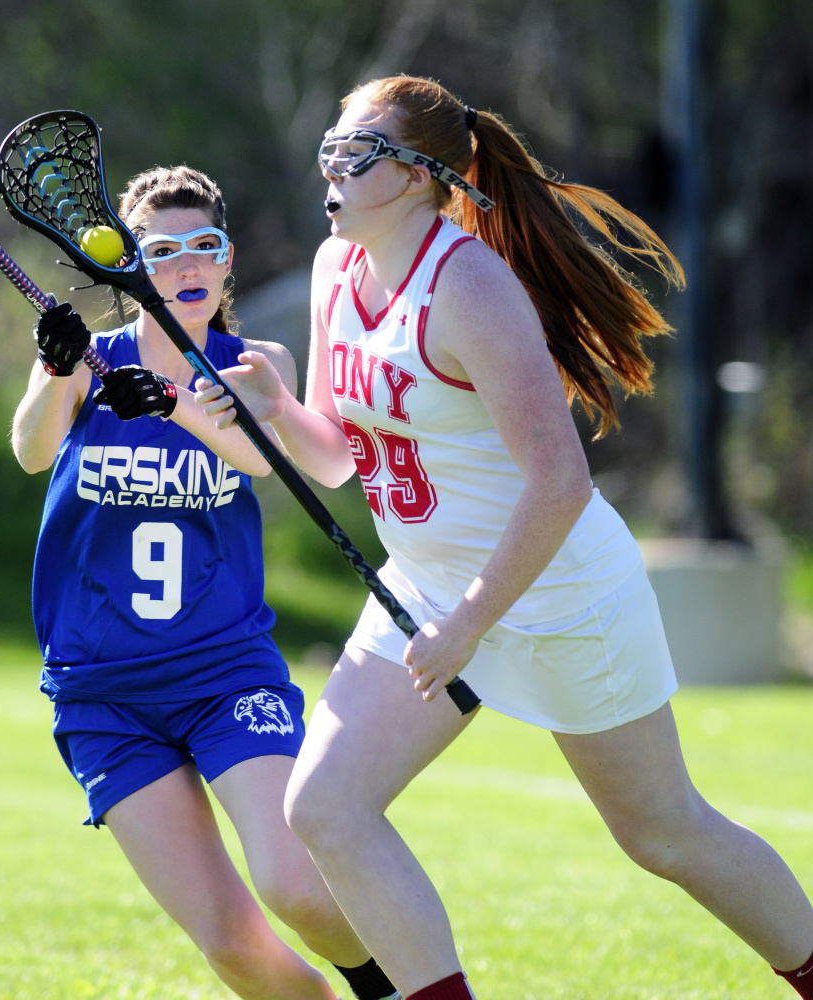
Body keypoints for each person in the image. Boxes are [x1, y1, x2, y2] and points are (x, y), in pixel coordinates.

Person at [194, 75, 813, 1000]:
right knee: (325, 808)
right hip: (426, 588)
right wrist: (276, 407)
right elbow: (337, 460)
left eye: (358, 149)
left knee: (662, 834)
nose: (332, 163)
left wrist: (472, 623)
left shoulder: (470, 285)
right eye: (333, 140)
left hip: (557, 594)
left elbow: (560, 483)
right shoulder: (337, 268)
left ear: (414, 177)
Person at [11, 164, 401, 1000]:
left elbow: (263, 460)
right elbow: (32, 451)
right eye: (162, 252)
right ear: (130, 267)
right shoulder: (91, 361)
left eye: (204, 248)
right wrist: (51, 376)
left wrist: (175, 404)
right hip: (102, 691)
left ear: (227, 262)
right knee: (234, 948)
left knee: (295, 888)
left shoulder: (258, 361)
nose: (186, 267)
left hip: (224, 671)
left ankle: (392, 986)